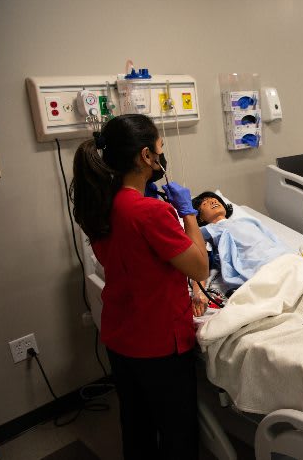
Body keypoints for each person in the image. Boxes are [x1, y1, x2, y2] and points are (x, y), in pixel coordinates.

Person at [70, 114, 208, 460]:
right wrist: (187, 212)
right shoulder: (150, 212)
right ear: (146, 156)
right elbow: (199, 266)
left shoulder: (99, 204)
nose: (162, 157)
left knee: (137, 427)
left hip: (121, 336)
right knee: (178, 434)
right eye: (160, 149)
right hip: (160, 343)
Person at [192, 191, 293, 289]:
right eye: (205, 203)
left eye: (215, 200)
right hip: (259, 267)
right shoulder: (209, 230)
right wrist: (198, 292)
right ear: (200, 218)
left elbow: (273, 238)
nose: (213, 202)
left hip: (283, 257)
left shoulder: (248, 220)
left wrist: (292, 255)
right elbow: (199, 263)